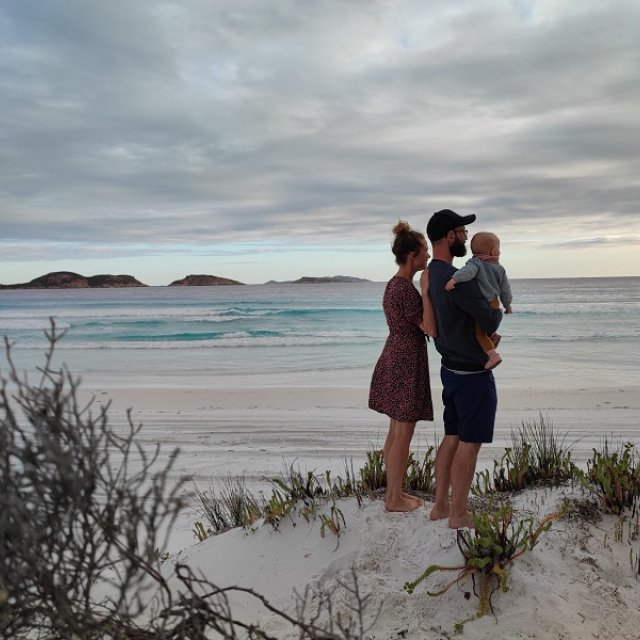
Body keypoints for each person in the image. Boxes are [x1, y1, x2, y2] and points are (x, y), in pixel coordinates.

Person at [426, 209, 502, 529]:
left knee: (452, 436)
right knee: (469, 443)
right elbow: (490, 320)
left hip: (449, 369)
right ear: (448, 237)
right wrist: (495, 298)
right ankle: (459, 514)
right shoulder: (461, 282)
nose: (466, 237)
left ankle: (441, 506)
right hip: (472, 374)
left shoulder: (430, 275)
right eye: (461, 231)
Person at [368, 220, 437, 512]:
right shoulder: (406, 290)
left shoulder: (394, 285)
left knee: (396, 431)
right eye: (425, 252)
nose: (428, 257)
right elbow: (430, 329)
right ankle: (393, 498)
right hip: (405, 361)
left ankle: (394, 492)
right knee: (402, 434)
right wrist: (427, 291)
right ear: (413, 256)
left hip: (396, 356)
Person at [445, 231, 513, 370]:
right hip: (495, 306)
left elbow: (467, 272)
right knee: (485, 330)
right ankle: (493, 338)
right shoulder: (500, 269)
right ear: (494, 250)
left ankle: (493, 356)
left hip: (484, 307)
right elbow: (505, 289)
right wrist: (507, 305)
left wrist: (454, 279)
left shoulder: (475, 263)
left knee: (479, 333)